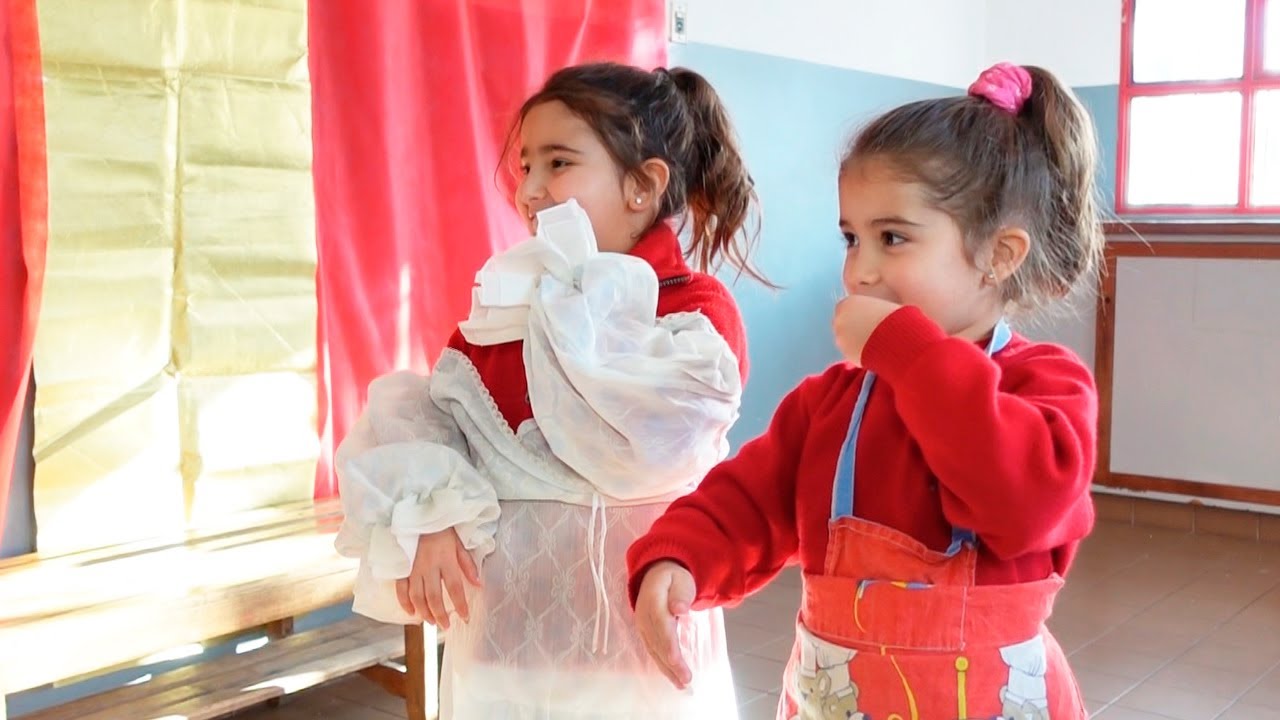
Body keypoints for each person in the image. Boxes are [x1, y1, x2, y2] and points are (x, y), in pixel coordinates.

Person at [629, 62, 1103, 720]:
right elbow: (747, 501)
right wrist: (680, 557)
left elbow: (1018, 504)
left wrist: (909, 353)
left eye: (893, 238)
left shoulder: (1046, 384)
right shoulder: (831, 403)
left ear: (1000, 255)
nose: (861, 270)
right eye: (852, 238)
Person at [335, 61, 764, 718]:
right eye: (525, 166)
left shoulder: (694, 314)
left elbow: (649, 444)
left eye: (558, 163)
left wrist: (569, 311)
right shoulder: (504, 311)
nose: (530, 191)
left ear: (643, 186)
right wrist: (434, 514)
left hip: (638, 655)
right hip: (508, 655)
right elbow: (433, 417)